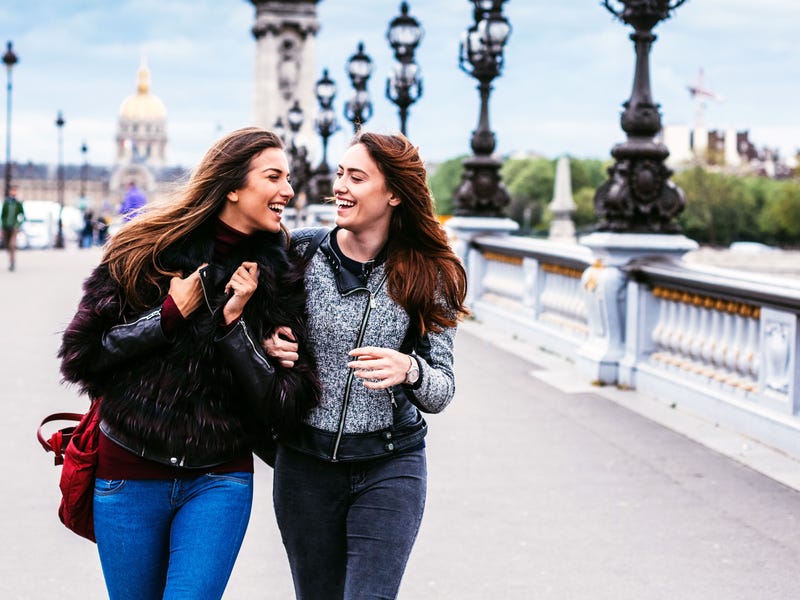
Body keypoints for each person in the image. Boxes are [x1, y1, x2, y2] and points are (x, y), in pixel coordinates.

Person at [58, 127, 320, 600]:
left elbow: (286, 404)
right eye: (275, 176)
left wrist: (234, 330)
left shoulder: (279, 273)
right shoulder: (146, 249)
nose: (289, 191)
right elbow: (82, 355)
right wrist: (168, 317)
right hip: (129, 471)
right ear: (234, 186)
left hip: (218, 478)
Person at [264, 131, 469, 599]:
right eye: (339, 174)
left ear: (394, 192)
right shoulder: (298, 252)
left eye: (356, 177)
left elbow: (442, 389)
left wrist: (410, 369)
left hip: (390, 465)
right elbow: (255, 330)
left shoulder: (430, 273)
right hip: (304, 467)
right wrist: (270, 344)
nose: (340, 186)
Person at [1, 184, 25, 271]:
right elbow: (3, 215)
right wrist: (2, 226)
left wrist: (18, 224)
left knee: (12, 245)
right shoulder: (6, 203)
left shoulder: (18, 203)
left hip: (14, 227)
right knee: (8, 245)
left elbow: (22, 215)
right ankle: (11, 259)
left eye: (15, 191)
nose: (14, 192)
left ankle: (12, 262)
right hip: (6, 227)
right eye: (12, 190)